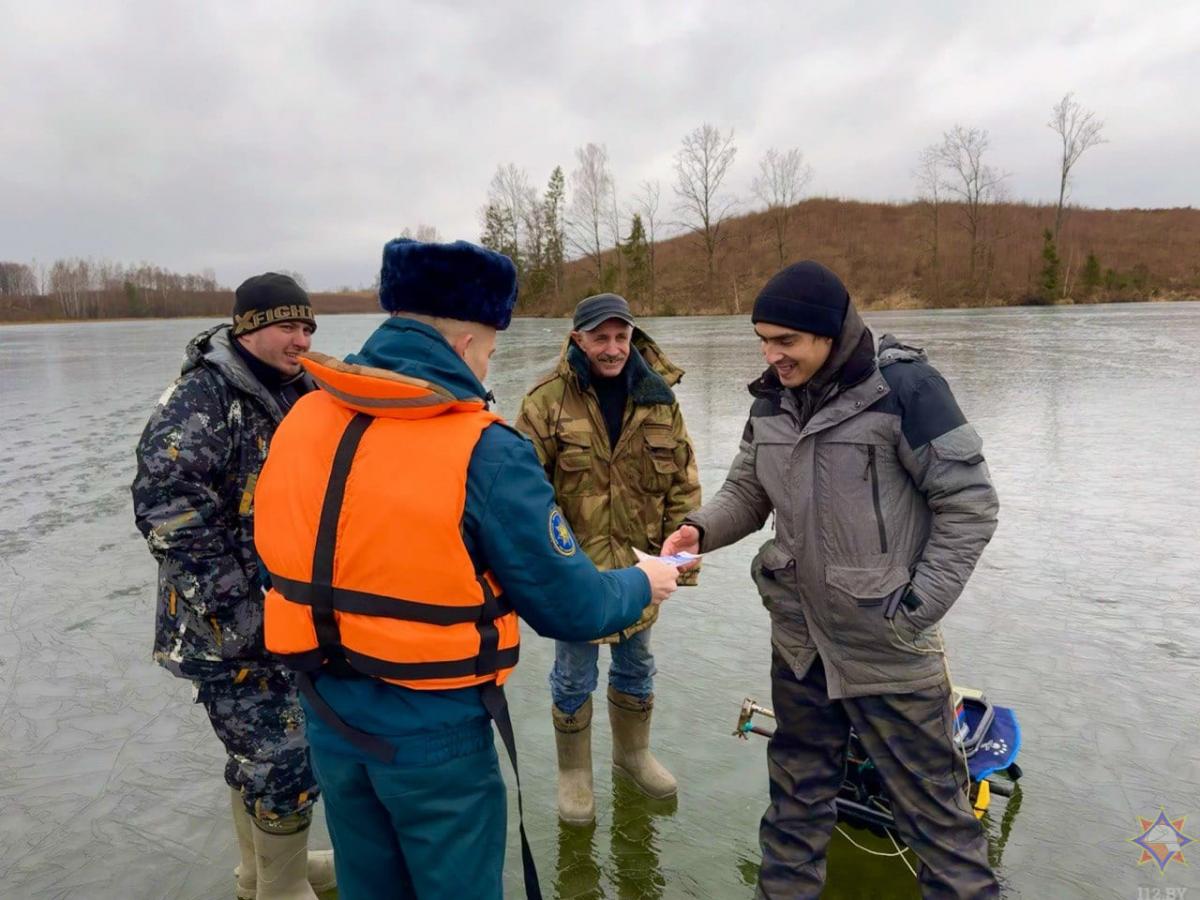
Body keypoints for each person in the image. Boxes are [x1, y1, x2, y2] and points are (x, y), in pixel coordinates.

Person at [252, 238, 683, 900]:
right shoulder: (483, 448)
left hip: (329, 720)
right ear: (463, 346)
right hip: (434, 740)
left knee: (372, 886)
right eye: (489, 349)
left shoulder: (302, 417)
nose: (488, 366)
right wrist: (643, 581)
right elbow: (572, 606)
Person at [662, 260, 1001, 898]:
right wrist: (700, 530)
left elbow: (971, 504)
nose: (771, 354)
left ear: (829, 335)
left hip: (889, 650)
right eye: (763, 339)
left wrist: (914, 609)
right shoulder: (771, 398)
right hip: (799, 642)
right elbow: (747, 489)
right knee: (793, 814)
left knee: (941, 827)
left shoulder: (907, 389)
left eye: (785, 341)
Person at [132, 273, 336, 899]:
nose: (301, 339)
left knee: (266, 753)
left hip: (286, 613)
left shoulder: (304, 389)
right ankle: (281, 888)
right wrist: (246, 612)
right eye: (287, 327)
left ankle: (262, 872)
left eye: (307, 327)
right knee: (284, 757)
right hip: (227, 626)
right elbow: (168, 512)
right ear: (248, 328)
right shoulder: (201, 398)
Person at [516, 293, 700, 824]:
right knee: (573, 674)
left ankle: (631, 754)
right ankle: (574, 773)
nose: (613, 348)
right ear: (578, 339)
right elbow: (522, 497)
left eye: (621, 336)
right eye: (600, 337)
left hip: (643, 569)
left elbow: (684, 487)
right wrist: (544, 572)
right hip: (576, 575)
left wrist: (680, 564)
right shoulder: (544, 401)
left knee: (638, 665)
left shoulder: (659, 397)